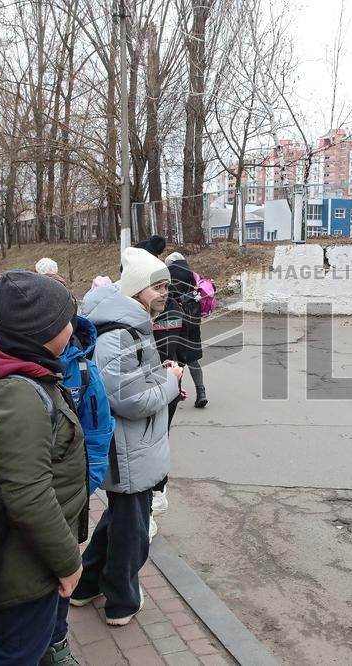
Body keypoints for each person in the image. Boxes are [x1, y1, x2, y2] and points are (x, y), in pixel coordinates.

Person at [0, 271, 86, 666]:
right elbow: (28, 494)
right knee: (16, 654)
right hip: (26, 560)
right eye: (67, 319)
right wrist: (68, 562)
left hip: (24, 553)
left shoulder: (22, 375)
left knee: (7, 645)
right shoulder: (18, 395)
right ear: (45, 330)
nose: (73, 327)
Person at [72, 248, 182, 625]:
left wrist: (161, 377)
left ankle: (86, 586)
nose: (165, 293)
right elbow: (131, 401)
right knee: (133, 532)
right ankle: (121, 601)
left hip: (132, 444)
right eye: (158, 287)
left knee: (120, 519)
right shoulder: (120, 333)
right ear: (136, 290)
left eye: (167, 285)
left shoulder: (129, 324)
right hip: (128, 447)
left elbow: (129, 385)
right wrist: (171, 381)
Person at [165, 252, 207, 408]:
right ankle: (201, 392)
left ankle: (175, 393)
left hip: (176, 322)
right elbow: (209, 288)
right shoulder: (194, 275)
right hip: (194, 321)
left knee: (176, 359)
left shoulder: (167, 275)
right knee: (192, 358)